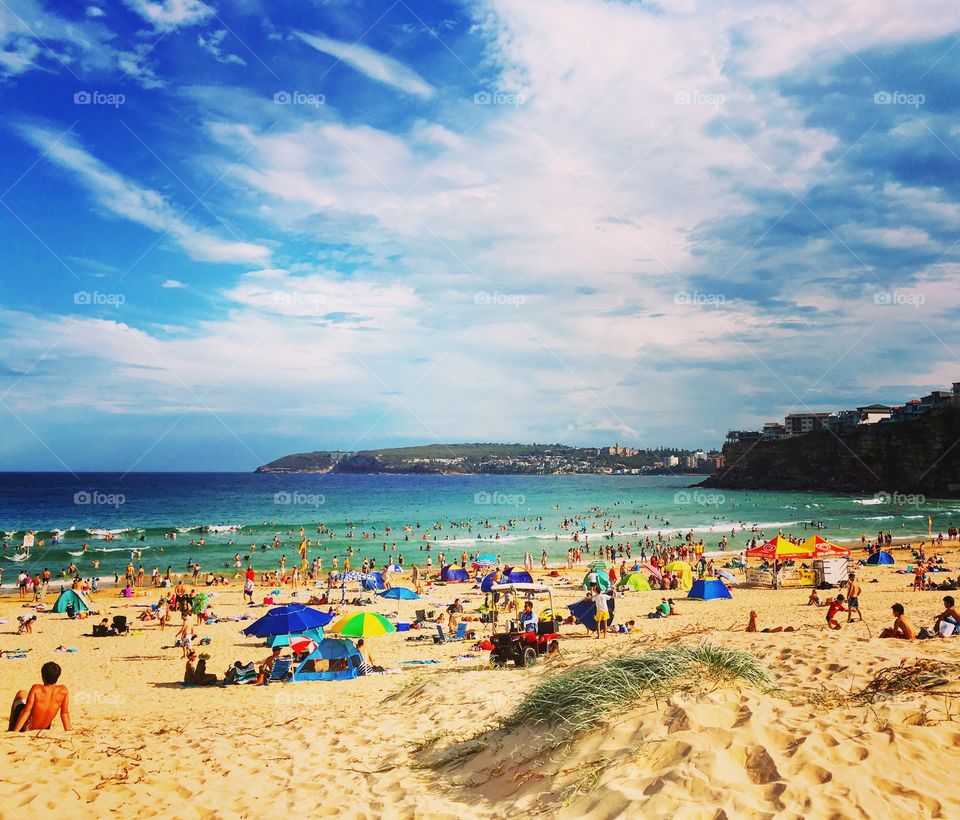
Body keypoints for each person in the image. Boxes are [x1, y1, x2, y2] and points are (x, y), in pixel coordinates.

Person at [9, 662, 70, 732]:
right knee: (24, 694)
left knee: (20, 694)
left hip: (27, 727)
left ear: (43, 677)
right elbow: (64, 713)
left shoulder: (36, 689)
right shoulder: (63, 691)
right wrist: (68, 731)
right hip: (44, 728)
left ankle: (10, 729)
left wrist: (15, 732)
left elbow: (26, 711)